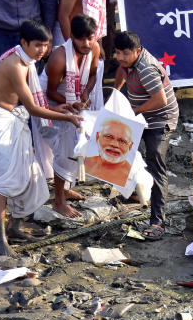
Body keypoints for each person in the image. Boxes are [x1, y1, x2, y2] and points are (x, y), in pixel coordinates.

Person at [0, 19, 82, 256]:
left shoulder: (27, 61)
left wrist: (60, 109)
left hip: (12, 119)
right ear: (23, 43)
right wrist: (67, 117)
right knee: (3, 183)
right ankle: (0, 241)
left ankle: (14, 227)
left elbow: (33, 105)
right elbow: (33, 108)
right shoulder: (16, 65)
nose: (42, 50)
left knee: (28, 173)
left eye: (46, 45)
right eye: (37, 45)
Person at [113, 30, 179, 241]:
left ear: (137, 51)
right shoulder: (127, 64)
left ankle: (157, 222)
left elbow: (161, 101)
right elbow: (122, 71)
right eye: (117, 53)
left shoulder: (146, 69)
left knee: (155, 163)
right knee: (124, 151)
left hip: (160, 118)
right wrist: (116, 93)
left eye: (125, 53)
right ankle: (135, 192)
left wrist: (134, 111)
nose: (121, 58)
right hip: (141, 113)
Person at [41, 14, 102, 218]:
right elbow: (50, 92)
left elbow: (93, 74)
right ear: (72, 38)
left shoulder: (94, 48)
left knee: (75, 145)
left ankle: (65, 188)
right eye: (81, 39)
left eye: (90, 38)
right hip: (50, 102)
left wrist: (84, 94)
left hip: (74, 101)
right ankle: (59, 201)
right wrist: (70, 104)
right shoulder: (59, 57)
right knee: (65, 149)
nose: (86, 43)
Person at [84, 117, 135, 187]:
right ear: (97, 137)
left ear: (130, 146)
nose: (114, 144)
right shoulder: (85, 163)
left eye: (122, 141)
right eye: (108, 137)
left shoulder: (130, 177)